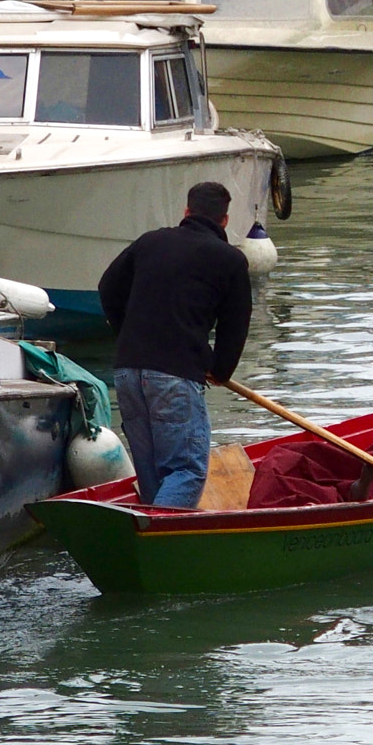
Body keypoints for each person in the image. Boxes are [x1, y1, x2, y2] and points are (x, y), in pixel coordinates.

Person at [97, 181, 253, 507]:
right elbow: (234, 326)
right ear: (224, 220)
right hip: (175, 376)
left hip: (127, 372)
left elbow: (108, 287)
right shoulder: (230, 260)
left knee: (153, 473)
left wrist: (128, 335)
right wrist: (221, 370)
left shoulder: (150, 242)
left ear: (186, 211)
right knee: (187, 471)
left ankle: (152, 540)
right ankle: (159, 537)